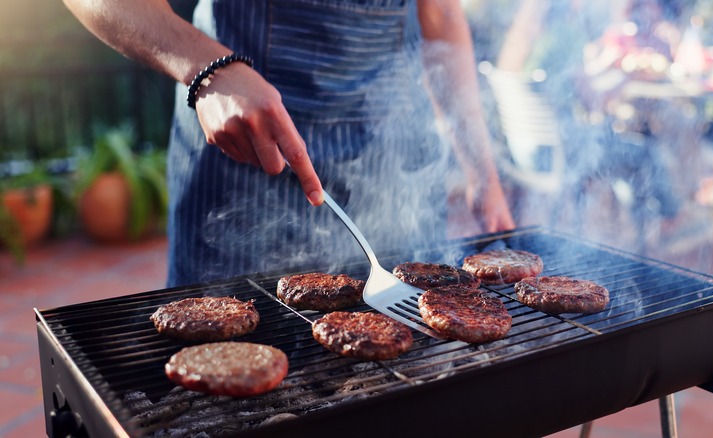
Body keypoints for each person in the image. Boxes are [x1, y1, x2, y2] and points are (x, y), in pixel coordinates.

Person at [63, 0, 516, 286]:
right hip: (242, 161)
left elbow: (441, 14)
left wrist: (482, 172)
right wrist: (208, 68)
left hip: (393, 165)